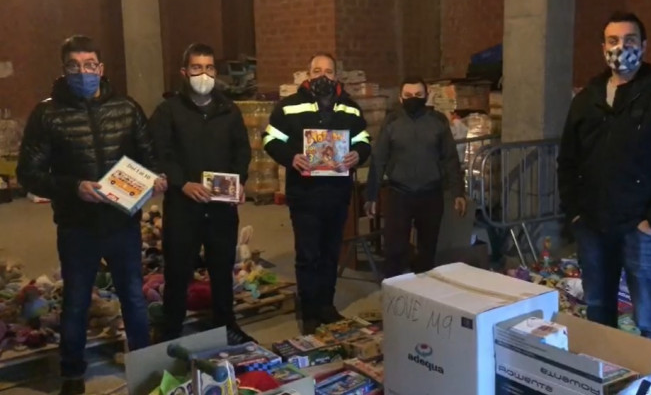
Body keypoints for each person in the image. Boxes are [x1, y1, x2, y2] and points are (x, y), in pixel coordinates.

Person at [16, 35, 167, 395]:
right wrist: (74, 187)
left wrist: (157, 178)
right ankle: (72, 374)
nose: (83, 72)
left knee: (133, 297)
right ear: (64, 70)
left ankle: (144, 367)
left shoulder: (126, 108)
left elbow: (150, 156)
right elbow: (28, 173)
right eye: (74, 66)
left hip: (123, 223)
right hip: (76, 226)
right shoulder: (47, 114)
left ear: (100, 68)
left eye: (89, 65)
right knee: (76, 301)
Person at [557, 11, 651, 394]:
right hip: (593, 226)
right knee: (599, 309)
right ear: (602, 48)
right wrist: (576, 211)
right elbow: (567, 160)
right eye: (613, 41)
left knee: (650, 316)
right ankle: (607, 384)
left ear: (644, 46)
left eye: (630, 40)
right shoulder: (587, 99)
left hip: (641, 227)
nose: (622, 48)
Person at [149, 43, 254, 345]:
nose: (203, 74)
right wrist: (182, 184)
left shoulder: (228, 110)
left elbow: (241, 150)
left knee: (222, 269)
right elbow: (161, 153)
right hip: (184, 206)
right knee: (178, 270)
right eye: (197, 68)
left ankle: (226, 324)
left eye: (209, 68)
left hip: (221, 206)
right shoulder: (168, 110)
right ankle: (171, 330)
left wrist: (240, 182)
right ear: (185, 72)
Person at [263, 53, 371, 334]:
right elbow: (270, 138)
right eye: (317, 70)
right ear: (307, 75)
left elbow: (364, 140)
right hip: (305, 193)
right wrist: (292, 157)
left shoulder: (350, 108)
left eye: (329, 70)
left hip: (337, 193)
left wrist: (357, 154)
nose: (323, 75)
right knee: (308, 254)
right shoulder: (288, 107)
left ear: (337, 76)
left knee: (331, 251)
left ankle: (326, 305)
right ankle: (309, 311)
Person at [364, 77, 466, 278]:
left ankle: (423, 294)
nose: (414, 99)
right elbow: (379, 159)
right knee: (394, 249)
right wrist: (371, 195)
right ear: (401, 98)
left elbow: (450, 158)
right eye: (408, 95)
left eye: (418, 95)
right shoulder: (392, 121)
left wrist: (458, 192)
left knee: (427, 250)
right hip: (399, 194)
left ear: (426, 96)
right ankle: (394, 294)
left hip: (431, 194)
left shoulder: (438, 121)